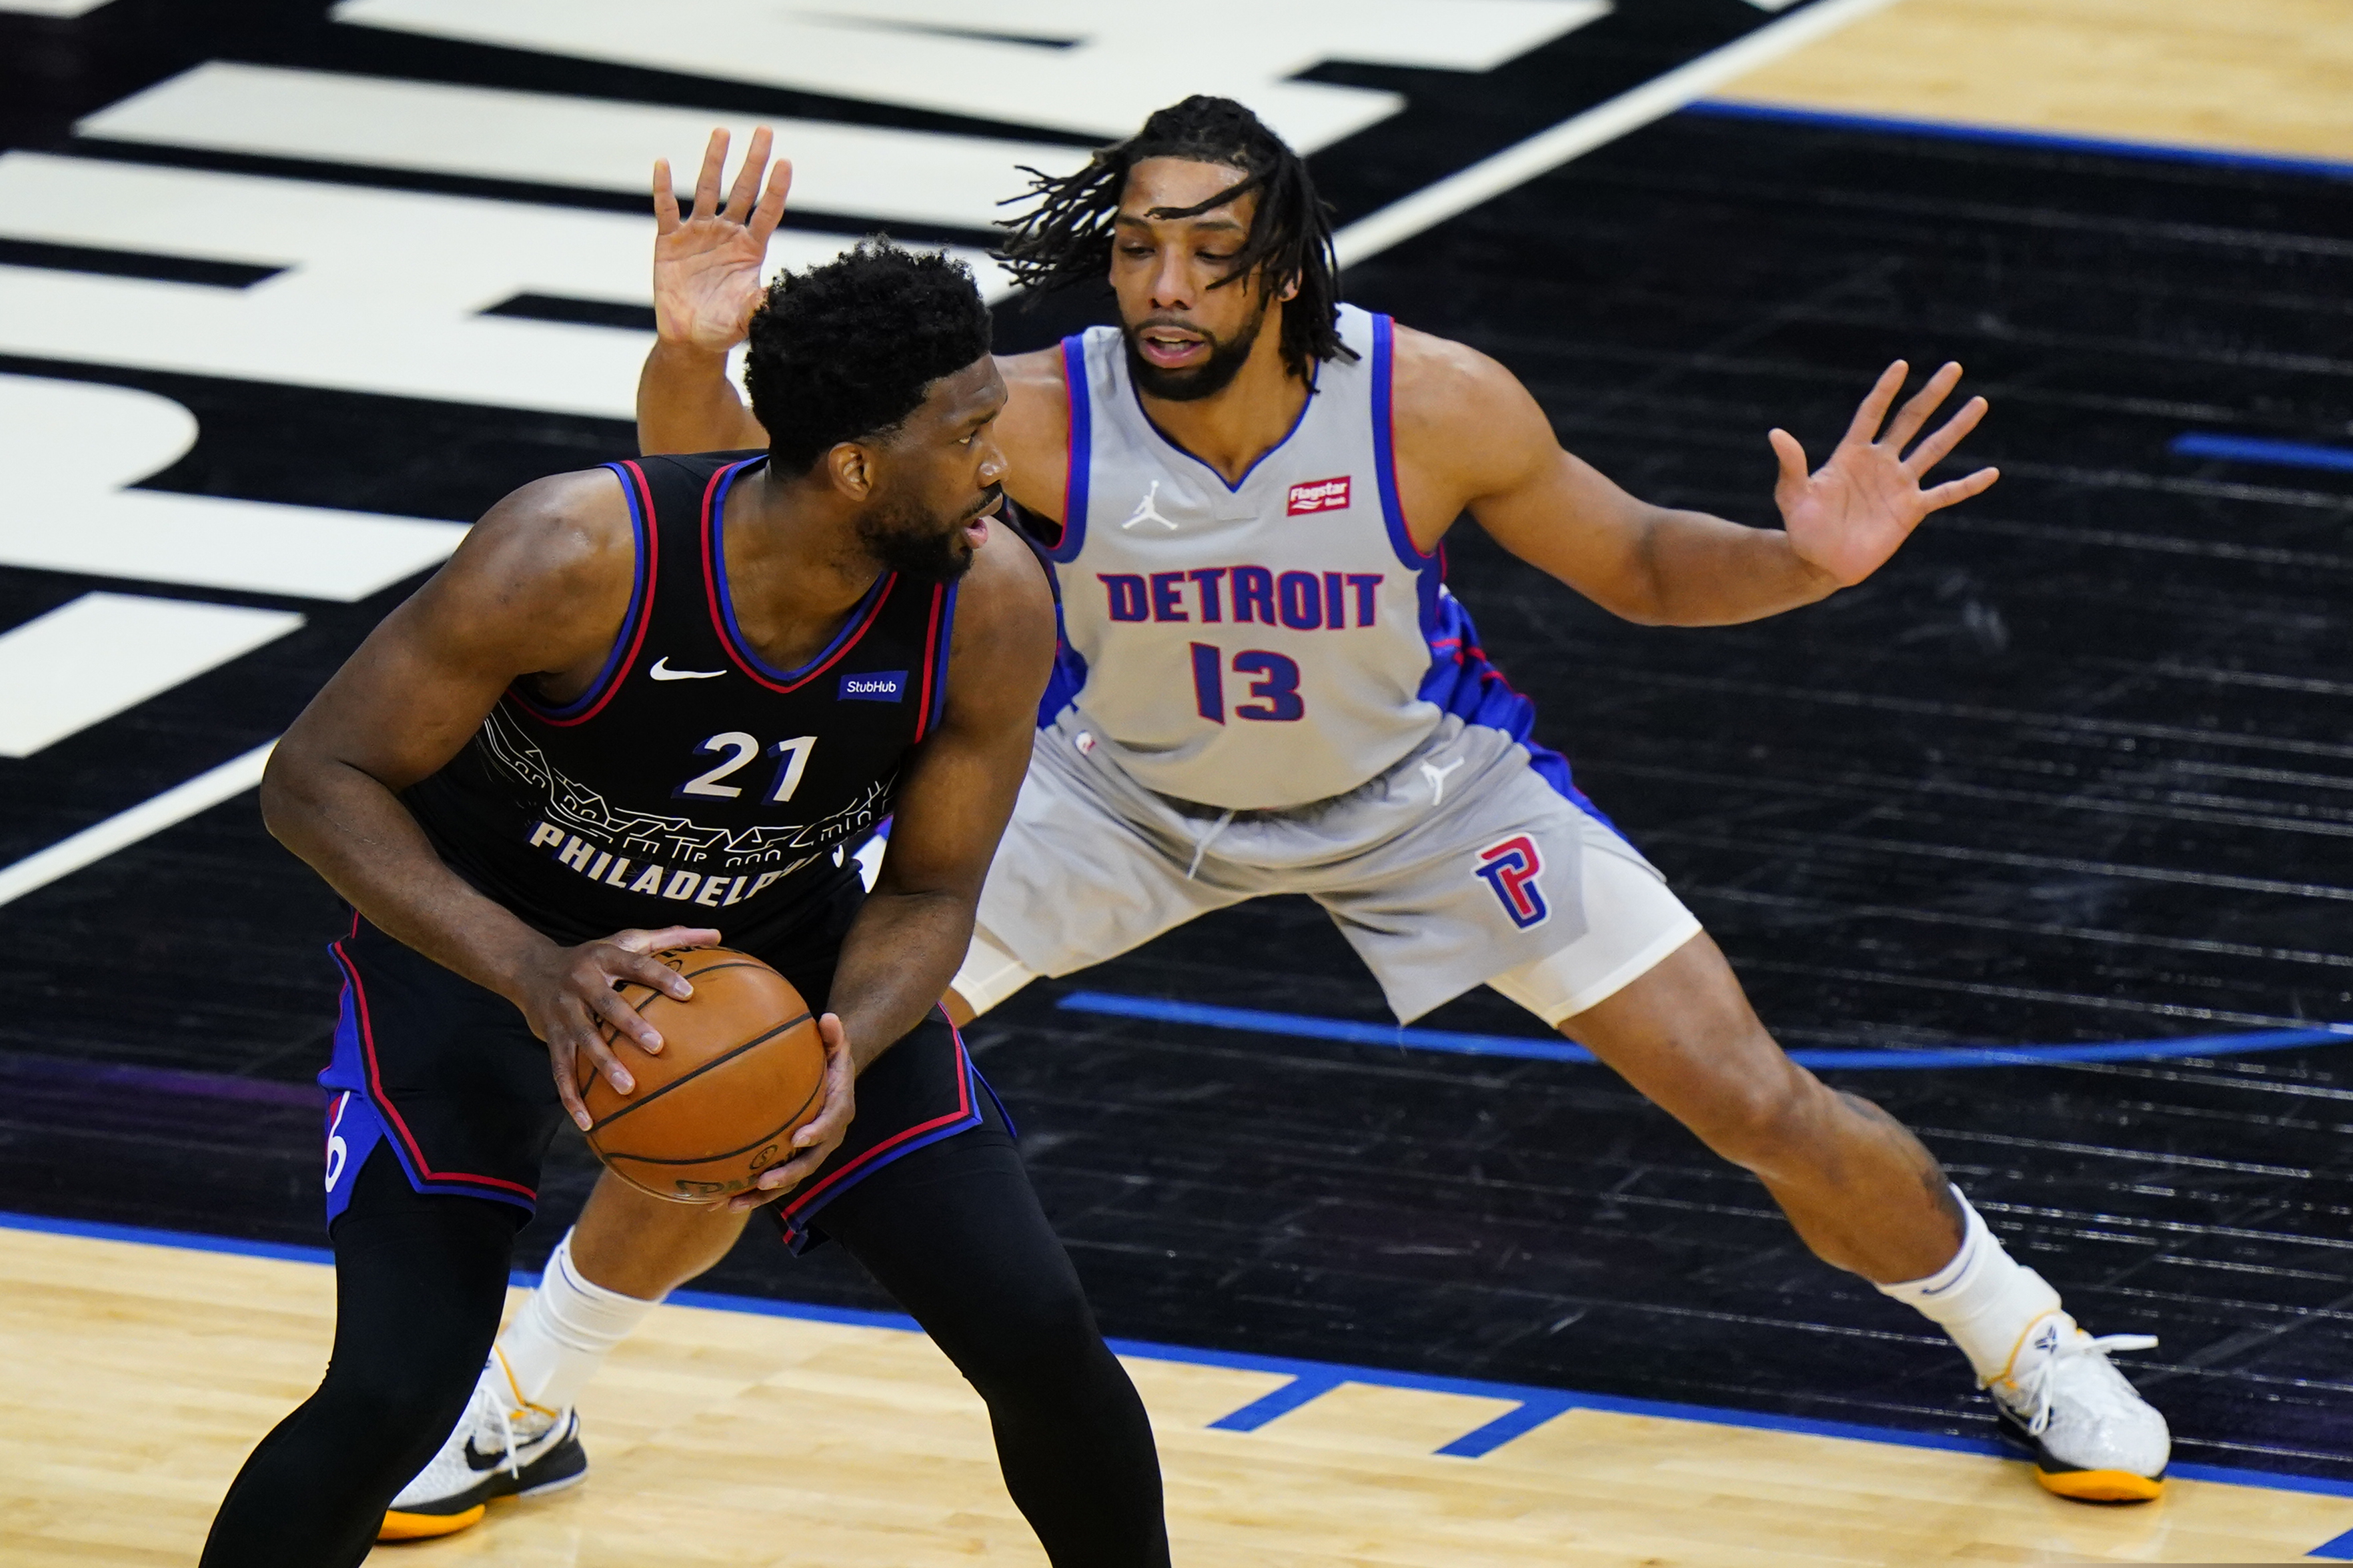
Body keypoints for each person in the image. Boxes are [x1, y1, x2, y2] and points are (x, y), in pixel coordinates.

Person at [394, 97, 2170, 1537]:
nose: (1162, 283)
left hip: (1428, 791)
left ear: (1288, 266)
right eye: (1136, 244)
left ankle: (2022, 1332)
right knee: (769, 1067)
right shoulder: (1032, 412)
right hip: (1110, 793)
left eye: (1207, 250)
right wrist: (691, 352)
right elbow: (730, 495)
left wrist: (1803, 559)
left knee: (1754, 1094)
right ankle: (528, 1393)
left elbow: (1636, 561)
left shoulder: (1433, 402)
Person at [201, 239, 1170, 1568]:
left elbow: (932, 886)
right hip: (480, 958)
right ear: (856, 466)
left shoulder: (988, 601)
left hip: (783, 951)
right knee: (393, 1394)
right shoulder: (572, 553)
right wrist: (533, 968)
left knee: (1038, 1331)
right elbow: (315, 780)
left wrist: (844, 1044)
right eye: (967, 435)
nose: (999, 468)